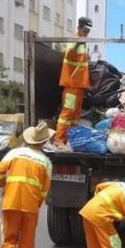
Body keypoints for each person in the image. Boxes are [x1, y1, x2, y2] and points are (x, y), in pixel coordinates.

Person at [0, 122, 54, 248]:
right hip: (31, 207)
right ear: (43, 142)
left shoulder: (15, 153)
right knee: (27, 242)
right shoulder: (46, 162)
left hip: (11, 203)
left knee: (10, 240)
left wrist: (4, 187)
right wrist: (36, 205)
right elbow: (44, 191)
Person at [54, 17, 93, 150]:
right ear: (79, 28)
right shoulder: (75, 40)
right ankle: (59, 140)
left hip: (79, 86)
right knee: (67, 113)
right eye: (85, 30)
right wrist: (77, 42)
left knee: (75, 115)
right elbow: (68, 52)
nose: (87, 33)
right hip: (71, 85)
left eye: (88, 31)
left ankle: (72, 139)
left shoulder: (82, 43)